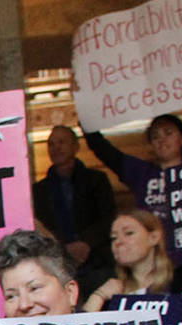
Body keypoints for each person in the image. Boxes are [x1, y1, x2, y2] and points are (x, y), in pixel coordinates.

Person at [33, 124, 118, 290]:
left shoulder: (97, 180)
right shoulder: (38, 190)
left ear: (75, 146)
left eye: (61, 142)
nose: (56, 148)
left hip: (97, 262)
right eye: (51, 144)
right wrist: (64, 246)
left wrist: (85, 243)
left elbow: (109, 216)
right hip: (58, 265)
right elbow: (40, 226)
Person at [84, 112, 182, 226]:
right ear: (151, 144)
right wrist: (86, 117)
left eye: (168, 133)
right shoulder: (142, 172)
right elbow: (103, 150)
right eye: (155, 136)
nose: (162, 140)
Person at [82, 207, 177, 310]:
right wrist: (99, 296)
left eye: (129, 233)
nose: (118, 242)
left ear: (153, 237)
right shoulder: (108, 290)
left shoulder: (178, 282)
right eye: (114, 238)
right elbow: (81, 324)